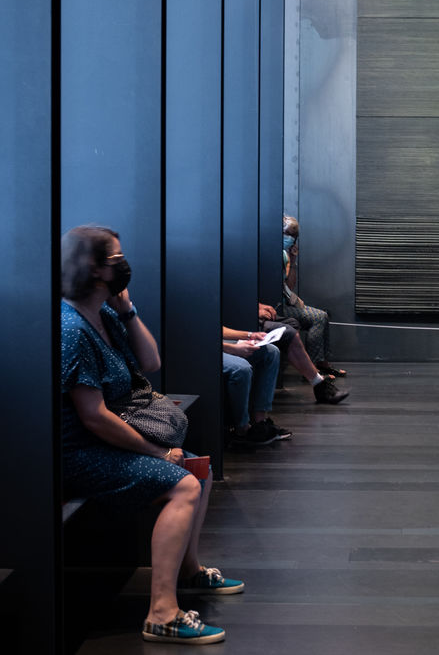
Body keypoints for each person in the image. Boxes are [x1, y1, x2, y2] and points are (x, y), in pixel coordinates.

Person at [61, 224, 238, 645]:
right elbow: (93, 418)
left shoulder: (104, 314)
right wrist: (157, 453)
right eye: (117, 259)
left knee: (199, 470)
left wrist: (127, 310)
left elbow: (151, 361)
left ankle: (189, 570)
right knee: (183, 485)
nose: (125, 265)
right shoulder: (71, 329)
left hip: (109, 438)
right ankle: (162, 613)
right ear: (94, 268)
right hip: (80, 452)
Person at [280, 215, 346, 377]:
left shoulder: (285, 254)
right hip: (277, 307)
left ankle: (322, 362)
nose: (290, 239)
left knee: (322, 316)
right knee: (317, 318)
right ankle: (311, 368)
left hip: (285, 302)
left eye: (293, 236)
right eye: (287, 234)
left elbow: (290, 285)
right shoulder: (276, 253)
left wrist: (293, 261)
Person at [257, 302, 349, 404]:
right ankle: (317, 380)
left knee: (293, 323)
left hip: (256, 312)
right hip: (248, 319)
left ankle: (310, 369)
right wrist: (254, 311)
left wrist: (259, 306)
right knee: (289, 332)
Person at [220, 326, 291, 448]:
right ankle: (242, 430)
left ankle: (259, 422)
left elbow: (216, 329)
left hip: (219, 342)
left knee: (271, 352)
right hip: (203, 348)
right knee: (241, 369)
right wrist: (233, 348)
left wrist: (250, 335)